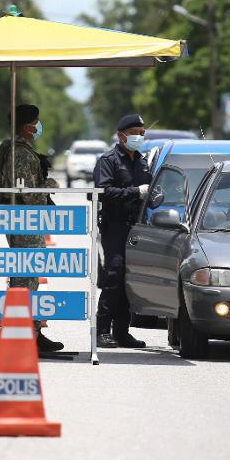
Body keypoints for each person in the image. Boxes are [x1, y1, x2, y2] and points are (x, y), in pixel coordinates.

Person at [0, 104, 64, 356]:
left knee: (26, 277)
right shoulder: (19, 153)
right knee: (26, 277)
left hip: (21, 220)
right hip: (25, 221)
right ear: (27, 126)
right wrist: (50, 183)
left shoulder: (13, 149)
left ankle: (33, 331)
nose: (38, 126)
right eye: (36, 122)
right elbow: (28, 193)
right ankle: (24, 333)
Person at [93, 113, 151, 349]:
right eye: (135, 133)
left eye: (142, 133)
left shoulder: (142, 161)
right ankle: (102, 330)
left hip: (137, 227)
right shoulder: (108, 160)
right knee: (114, 276)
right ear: (121, 135)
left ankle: (122, 331)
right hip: (115, 226)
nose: (139, 137)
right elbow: (103, 191)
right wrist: (135, 192)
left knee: (130, 279)